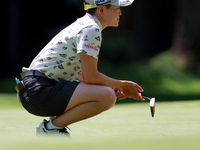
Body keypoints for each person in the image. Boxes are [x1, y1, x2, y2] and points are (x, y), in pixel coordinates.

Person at [15, 0, 147, 136]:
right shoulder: (91, 29)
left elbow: (83, 76)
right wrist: (123, 85)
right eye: (116, 8)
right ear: (101, 10)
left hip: (33, 91)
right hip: (39, 91)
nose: (120, 12)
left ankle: (52, 128)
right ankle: (50, 129)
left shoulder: (85, 24)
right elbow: (91, 77)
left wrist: (113, 86)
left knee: (107, 92)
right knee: (106, 96)